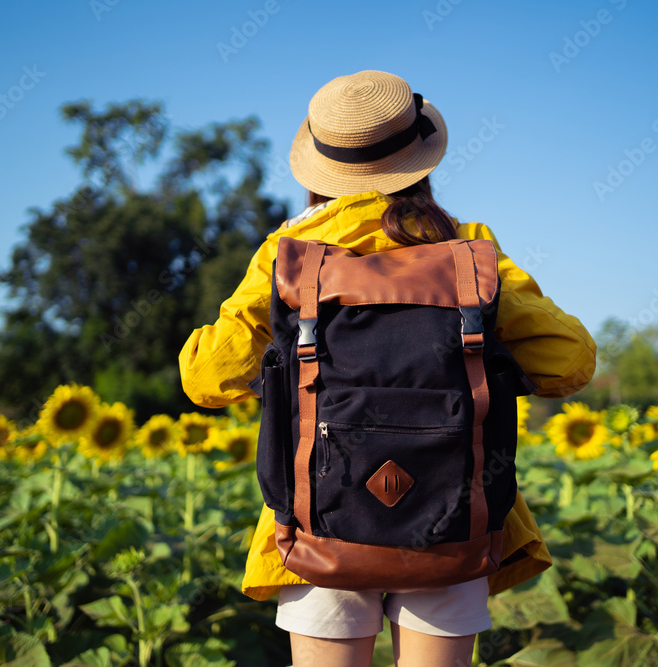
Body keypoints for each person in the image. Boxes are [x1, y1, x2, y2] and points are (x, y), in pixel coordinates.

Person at [179, 70, 596, 667]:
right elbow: (571, 362)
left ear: (319, 168)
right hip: (452, 517)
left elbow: (204, 378)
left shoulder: (287, 257)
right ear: (421, 161)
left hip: (318, 516)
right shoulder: (468, 248)